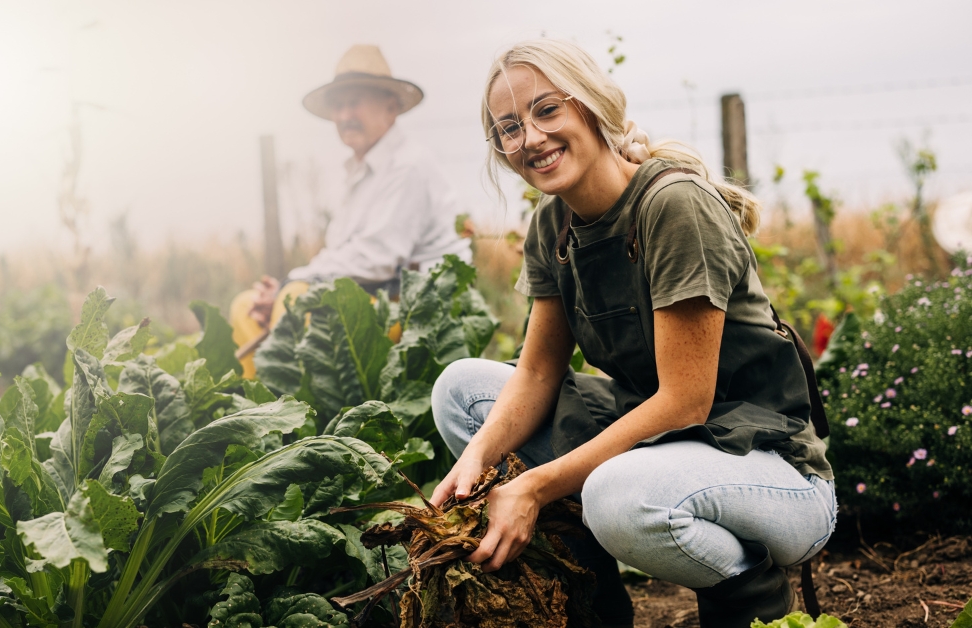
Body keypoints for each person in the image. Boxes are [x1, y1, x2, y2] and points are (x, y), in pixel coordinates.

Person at [429, 39, 835, 628]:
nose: (531, 138)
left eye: (547, 110)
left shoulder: (672, 206)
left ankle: (753, 599)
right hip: (663, 449)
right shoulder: (554, 225)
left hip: (771, 469)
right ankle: (592, 606)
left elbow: (685, 401)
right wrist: (477, 461)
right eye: (509, 128)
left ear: (591, 105)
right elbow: (537, 372)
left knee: (616, 497)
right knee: (461, 391)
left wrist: (535, 487)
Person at [231, 45, 471, 377]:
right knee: (246, 306)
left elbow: (375, 259)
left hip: (415, 310)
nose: (344, 116)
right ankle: (259, 402)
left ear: (390, 107)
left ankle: (298, 403)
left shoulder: (408, 166)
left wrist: (290, 284)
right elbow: (340, 255)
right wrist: (285, 288)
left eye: (354, 102)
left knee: (296, 301)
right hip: (372, 296)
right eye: (338, 106)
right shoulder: (357, 172)